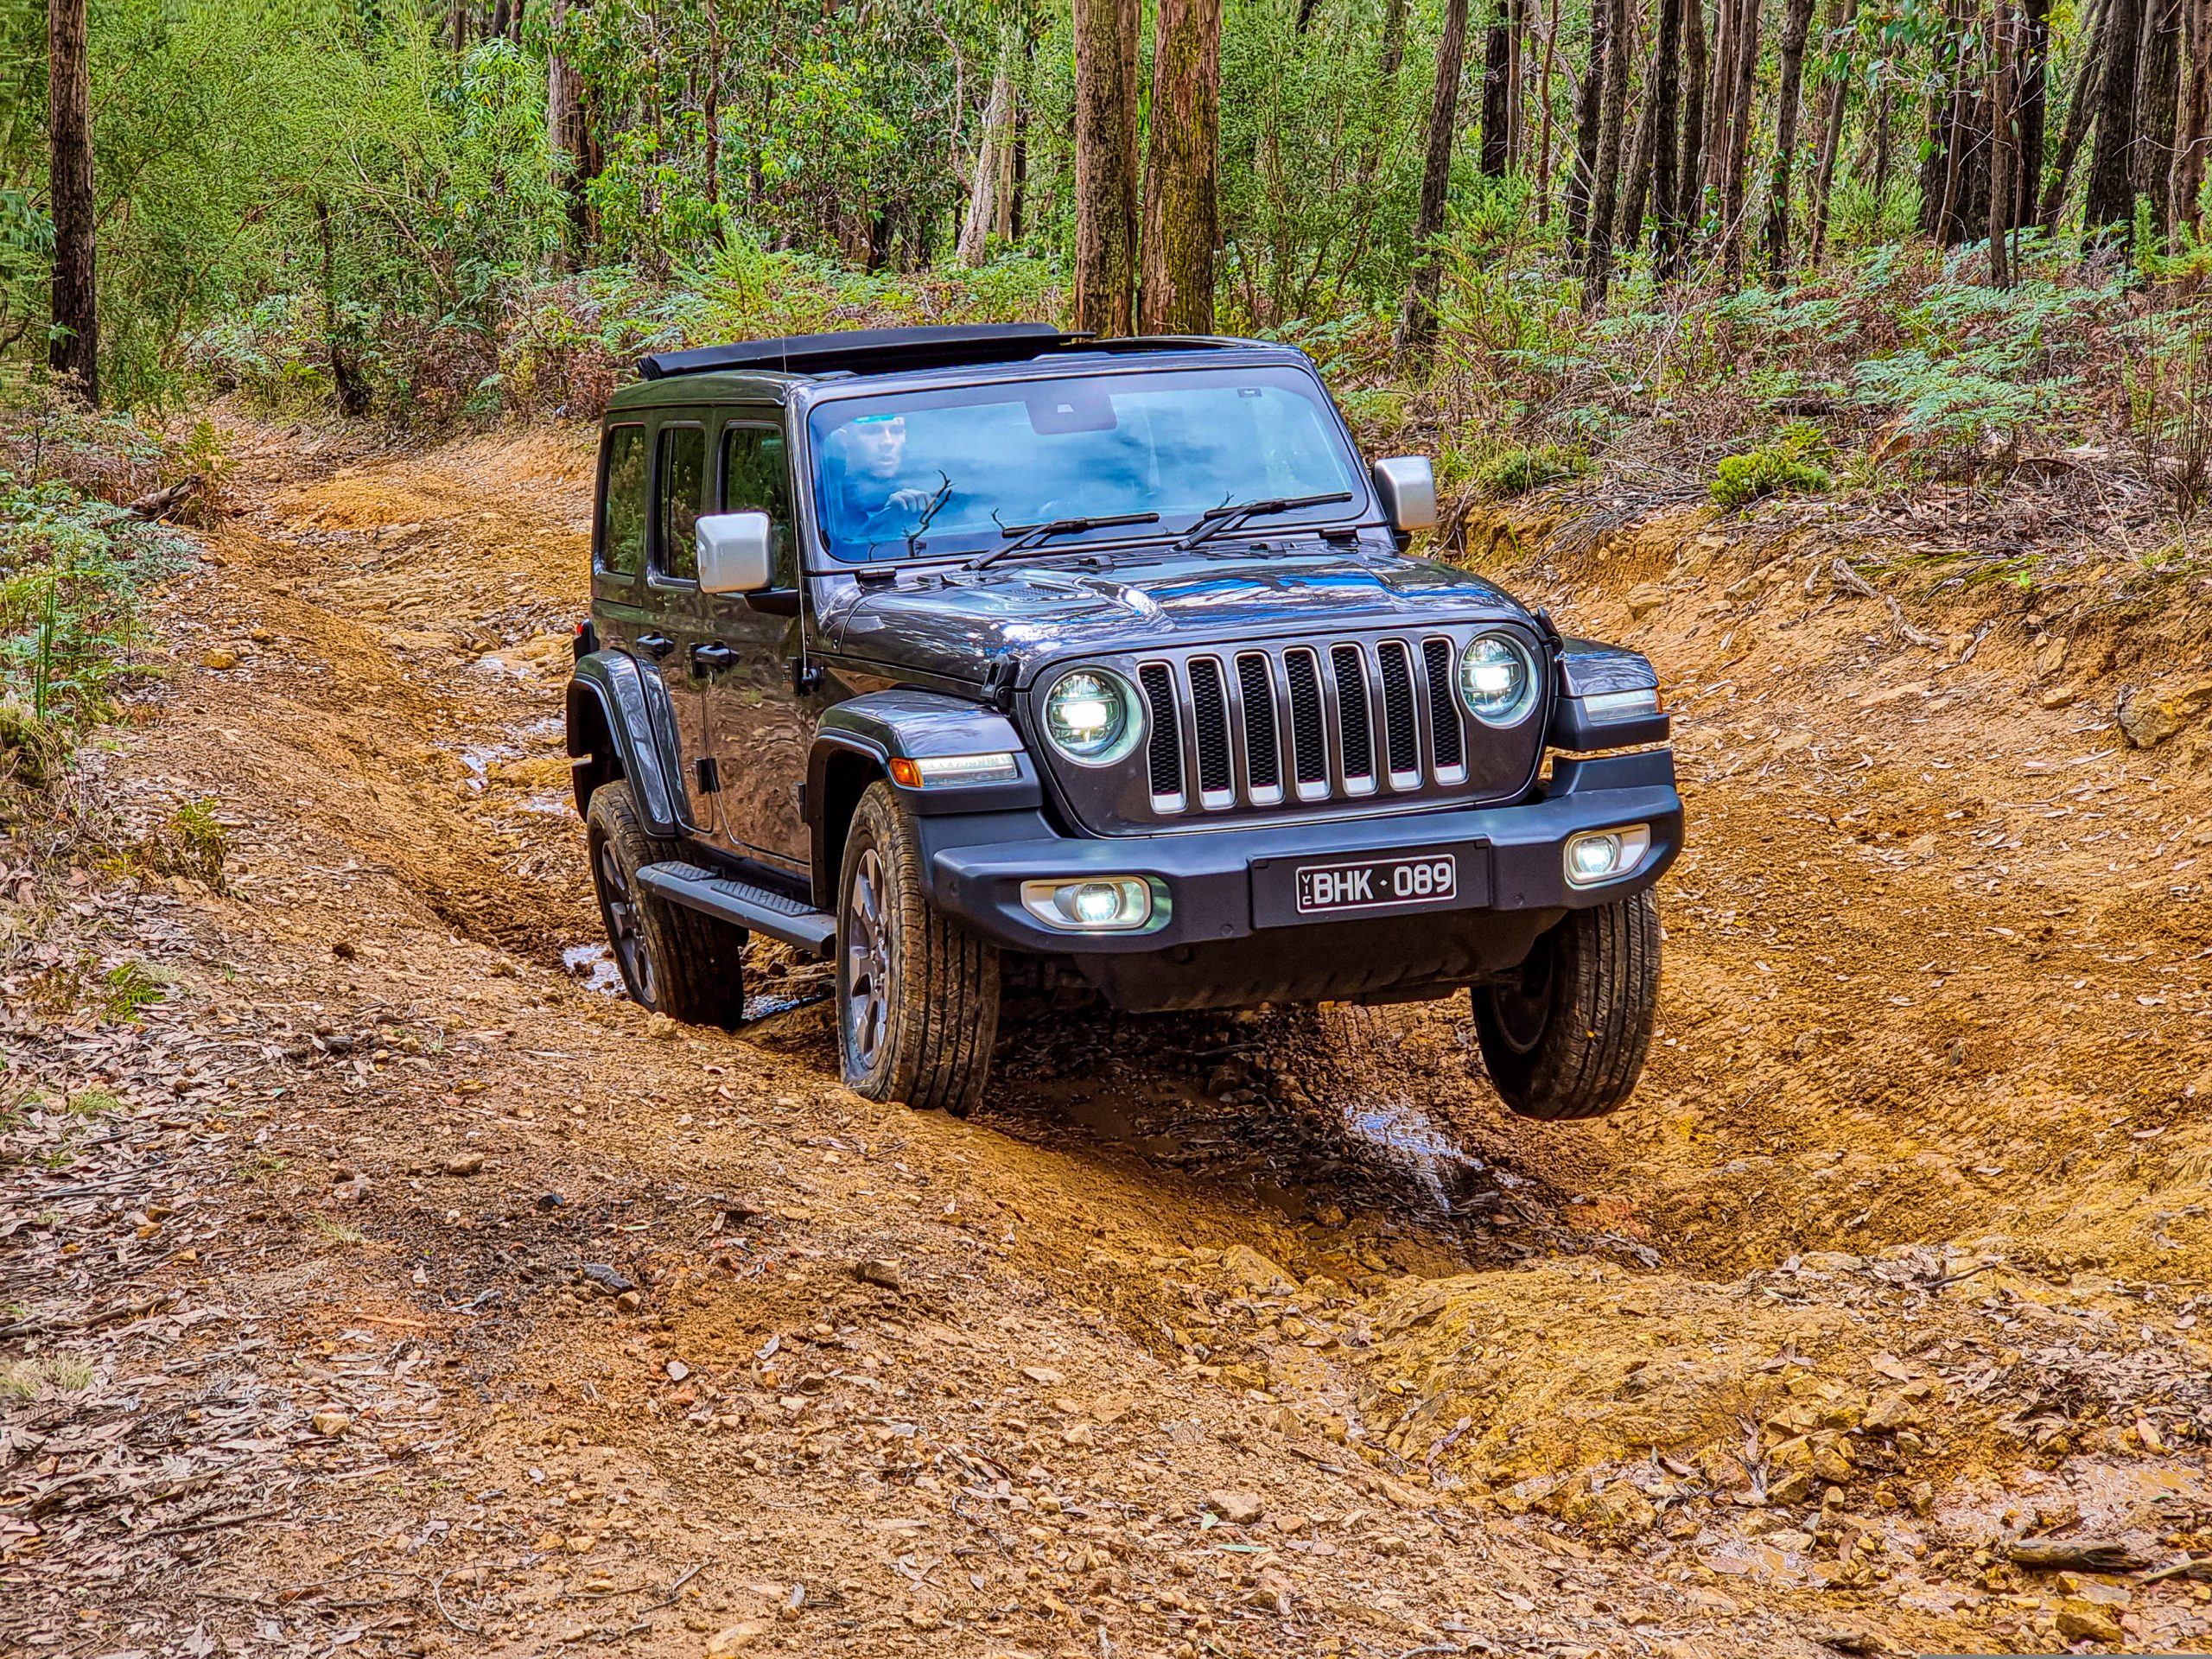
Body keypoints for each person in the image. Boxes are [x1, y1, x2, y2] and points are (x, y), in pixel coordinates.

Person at [827, 413, 941, 535]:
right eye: (872, 431)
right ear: (845, 439)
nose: (888, 442)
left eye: (896, 431)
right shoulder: (822, 505)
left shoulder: (933, 496)